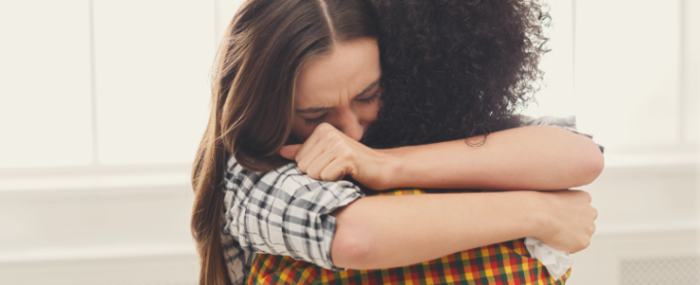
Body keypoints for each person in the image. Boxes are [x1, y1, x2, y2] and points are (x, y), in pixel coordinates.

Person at [190, 0, 602, 284]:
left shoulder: (421, 122)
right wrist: (537, 210)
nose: (350, 131)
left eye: (368, 96)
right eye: (315, 116)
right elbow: (355, 237)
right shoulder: (253, 172)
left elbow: (581, 158)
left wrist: (387, 165)